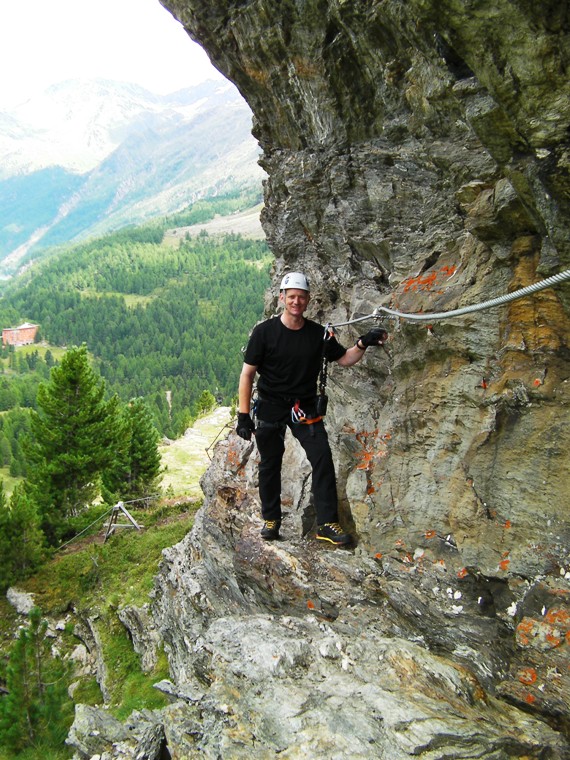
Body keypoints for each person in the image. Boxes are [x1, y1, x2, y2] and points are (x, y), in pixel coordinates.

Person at [236, 272, 388, 546]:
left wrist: (363, 342)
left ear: (307, 300)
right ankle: (271, 519)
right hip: (270, 406)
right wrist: (243, 416)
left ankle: (326, 524)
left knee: (322, 459)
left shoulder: (319, 335)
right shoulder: (264, 333)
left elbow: (344, 359)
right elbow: (247, 375)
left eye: (301, 297)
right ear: (282, 298)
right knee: (270, 463)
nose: (296, 301)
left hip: (302, 407)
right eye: (291, 296)